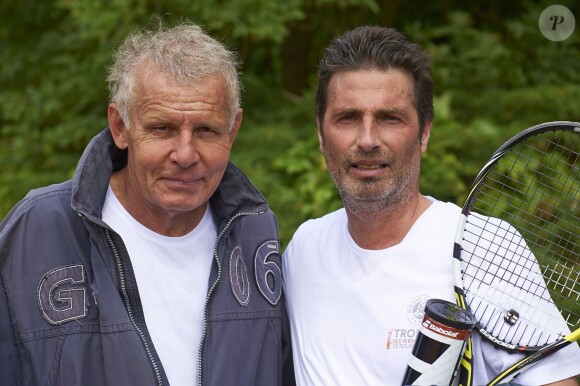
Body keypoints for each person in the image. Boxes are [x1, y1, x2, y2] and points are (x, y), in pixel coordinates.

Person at [282, 26, 580, 385]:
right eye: (348, 118)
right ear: (320, 132)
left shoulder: (483, 246)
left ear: (423, 133)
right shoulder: (303, 249)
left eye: (389, 118)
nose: (367, 140)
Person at [0, 21, 293, 386]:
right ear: (120, 127)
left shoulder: (254, 232)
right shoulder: (39, 230)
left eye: (206, 131)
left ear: (232, 131)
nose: (185, 154)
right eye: (162, 129)